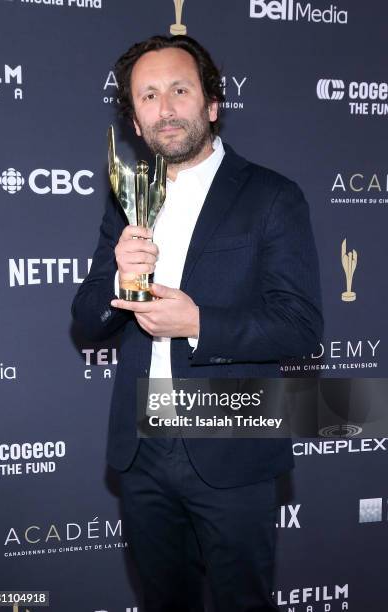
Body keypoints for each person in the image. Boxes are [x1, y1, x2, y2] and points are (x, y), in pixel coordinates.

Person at [72, 35, 322, 612]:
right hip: (141, 445)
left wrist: (198, 322)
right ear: (134, 119)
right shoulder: (127, 199)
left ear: (212, 104)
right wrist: (116, 282)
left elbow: (301, 325)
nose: (165, 107)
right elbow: (88, 319)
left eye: (180, 90)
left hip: (232, 440)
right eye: (149, 95)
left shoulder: (271, 196)